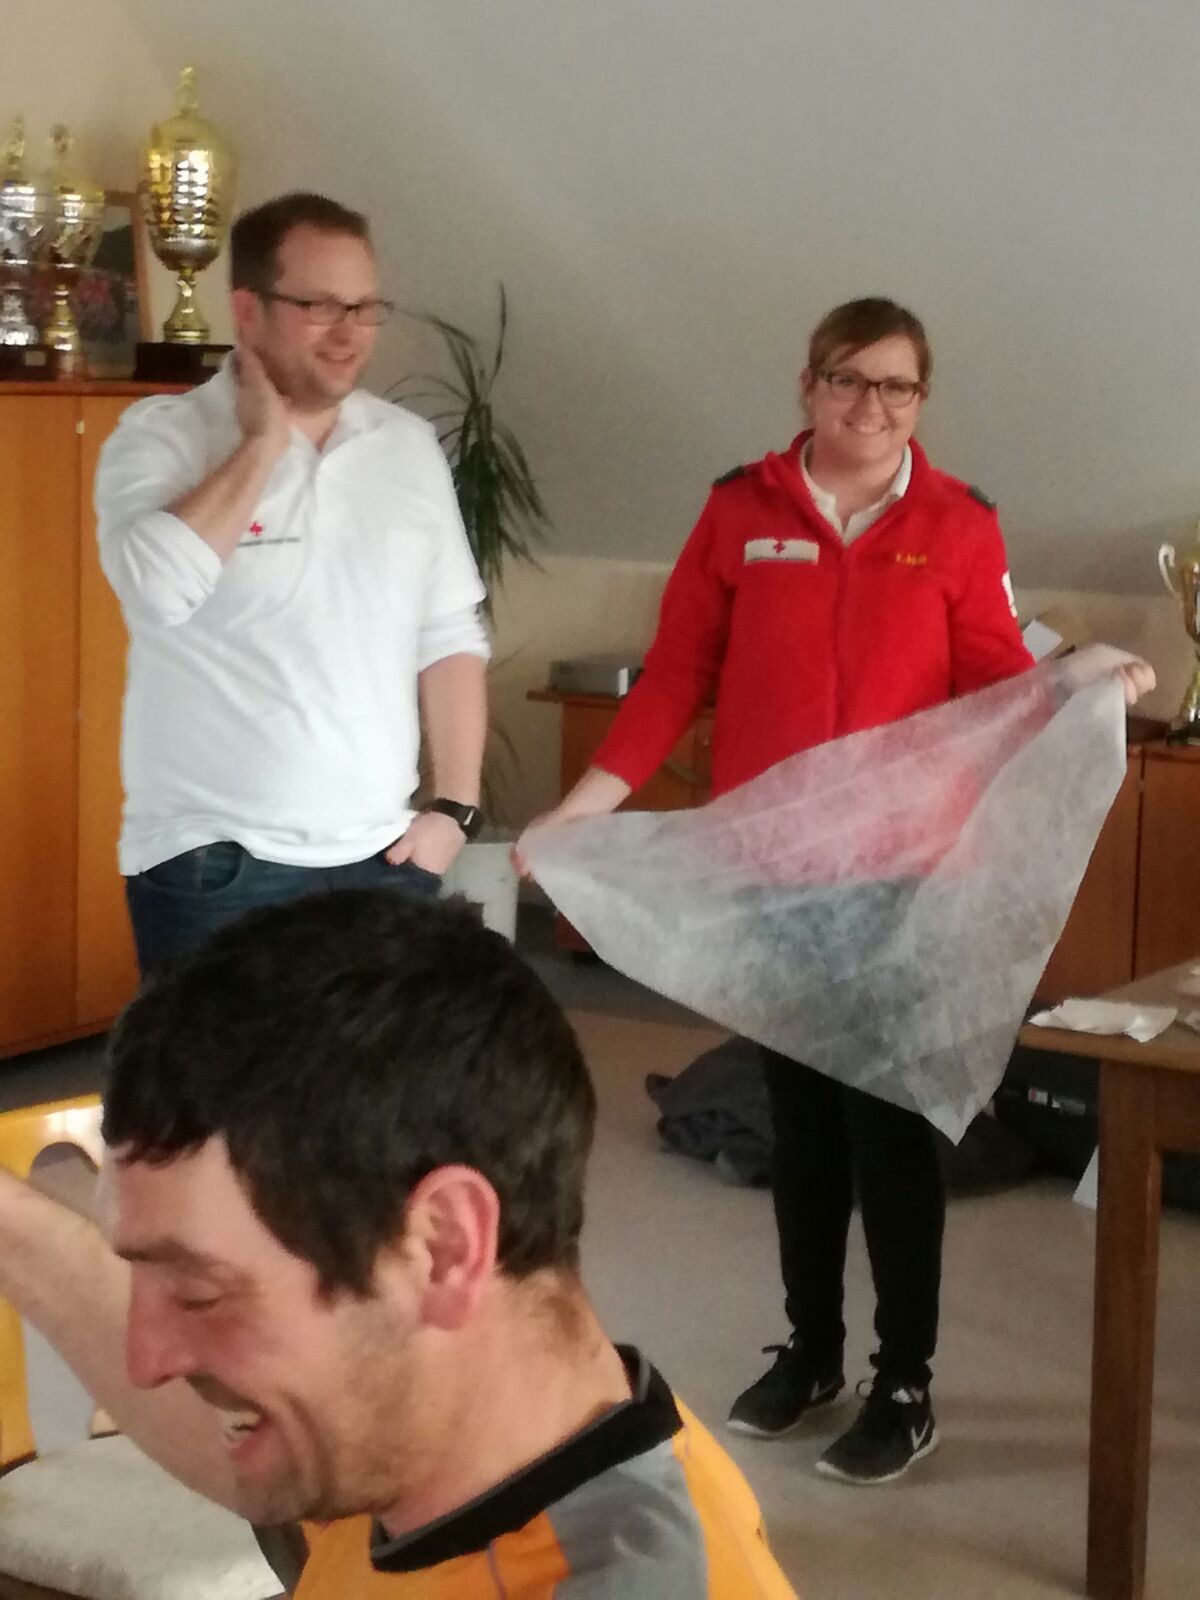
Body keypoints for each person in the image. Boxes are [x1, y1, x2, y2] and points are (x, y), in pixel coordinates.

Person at [525, 297, 1155, 1486]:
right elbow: (677, 674)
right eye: (849, 379)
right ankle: (810, 1349)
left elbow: (994, 676)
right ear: (808, 384)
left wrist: (1079, 682)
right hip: (775, 873)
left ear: (922, 399)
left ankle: (903, 1381)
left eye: (897, 386)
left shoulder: (958, 522)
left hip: (902, 879)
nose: (872, 405)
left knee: (890, 1134)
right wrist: (582, 809)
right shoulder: (740, 509)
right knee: (799, 1127)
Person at [0, 890, 796, 1597]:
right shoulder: (431, 1441)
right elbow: (237, 1453)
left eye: (201, 1294)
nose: (144, 1360)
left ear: (445, 1246)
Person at [95, 192, 489, 973]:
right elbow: (156, 591)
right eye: (320, 307)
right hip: (215, 866)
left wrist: (454, 811)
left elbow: (448, 633)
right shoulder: (161, 437)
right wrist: (261, 447)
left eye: (365, 308)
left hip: (385, 860)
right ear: (248, 310)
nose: (349, 333)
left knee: (380, 1062)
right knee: (211, 1061)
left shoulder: (407, 447)